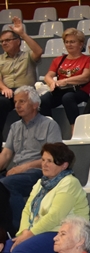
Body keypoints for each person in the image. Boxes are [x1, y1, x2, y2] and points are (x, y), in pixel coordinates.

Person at [1, 143, 90, 253]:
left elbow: (55, 216)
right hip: (39, 232)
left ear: (64, 165)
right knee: (3, 249)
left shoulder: (69, 182)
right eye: (43, 160)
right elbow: (27, 210)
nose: (44, 164)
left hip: (64, 233)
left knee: (20, 252)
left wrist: (29, 234)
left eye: (49, 161)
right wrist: (23, 233)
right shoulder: (40, 183)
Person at [0, 87, 62, 232]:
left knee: (6, 184)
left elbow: (54, 157)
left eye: (22, 101)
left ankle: (21, 228)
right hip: (17, 172)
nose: (17, 105)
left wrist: (24, 167)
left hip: (39, 172)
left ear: (35, 104)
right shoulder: (14, 127)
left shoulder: (49, 125)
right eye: (15, 102)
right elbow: (6, 155)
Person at [39, 29, 90, 136]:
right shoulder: (58, 60)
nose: (69, 44)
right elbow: (48, 76)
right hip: (61, 90)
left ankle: (75, 130)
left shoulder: (87, 59)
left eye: (72, 42)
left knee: (68, 98)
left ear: (81, 44)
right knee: (43, 100)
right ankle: (48, 130)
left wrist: (65, 81)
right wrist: (52, 83)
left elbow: (86, 77)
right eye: (67, 42)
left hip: (80, 90)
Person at [0, 16, 43, 141]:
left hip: (25, 91)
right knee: (1, 102)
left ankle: (30, 138)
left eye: (7, 40)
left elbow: (39, 51)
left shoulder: (27, 56)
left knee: (24, 102)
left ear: (18, 41)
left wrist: (22, 33)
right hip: (6, 91)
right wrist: (4, 88)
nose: (4, 43)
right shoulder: (0, 59)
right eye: (1, 41)